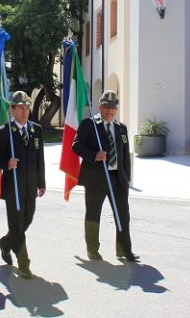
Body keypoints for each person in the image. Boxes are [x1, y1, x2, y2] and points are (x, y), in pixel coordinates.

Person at [72, 90, 138, 262]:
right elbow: (76, 146)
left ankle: (124, 249)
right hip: (96, 178)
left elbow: (124, 153)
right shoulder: (89, 124)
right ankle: (92, 250)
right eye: (107, 107)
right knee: (93, 214)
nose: (110, 110)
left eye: (113, 107)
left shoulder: (121, 128)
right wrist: (94, 155)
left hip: (118, 178)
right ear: (100, 107)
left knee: (123, 214)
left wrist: (127, 176)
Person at [0, 91, 45, 279]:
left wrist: (41, 182)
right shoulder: (4, 132)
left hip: (31, 186)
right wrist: (7, 163)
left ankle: (6, 243)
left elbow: (40, 158)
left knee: (26, 221)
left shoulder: (36, 130)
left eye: (27, 108)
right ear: (12, 110)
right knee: (16, 225)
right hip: (13, 186)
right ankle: (24, 264)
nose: (24, 111)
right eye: (20, 108)